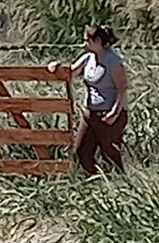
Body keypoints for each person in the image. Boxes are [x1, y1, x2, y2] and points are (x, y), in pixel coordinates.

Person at [48, 24, 128, 174]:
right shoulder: (87, 58)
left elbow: (122, 89)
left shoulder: (113, 61)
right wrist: (56, 67)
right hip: (90, 113)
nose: (84, 44)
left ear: (97, 40)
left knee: (110, 154)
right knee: (81, 151)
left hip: (109, 115)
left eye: (87, 40)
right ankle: (95, 180)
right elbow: (70, 73)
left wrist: (114, 113)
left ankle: (120, 184)